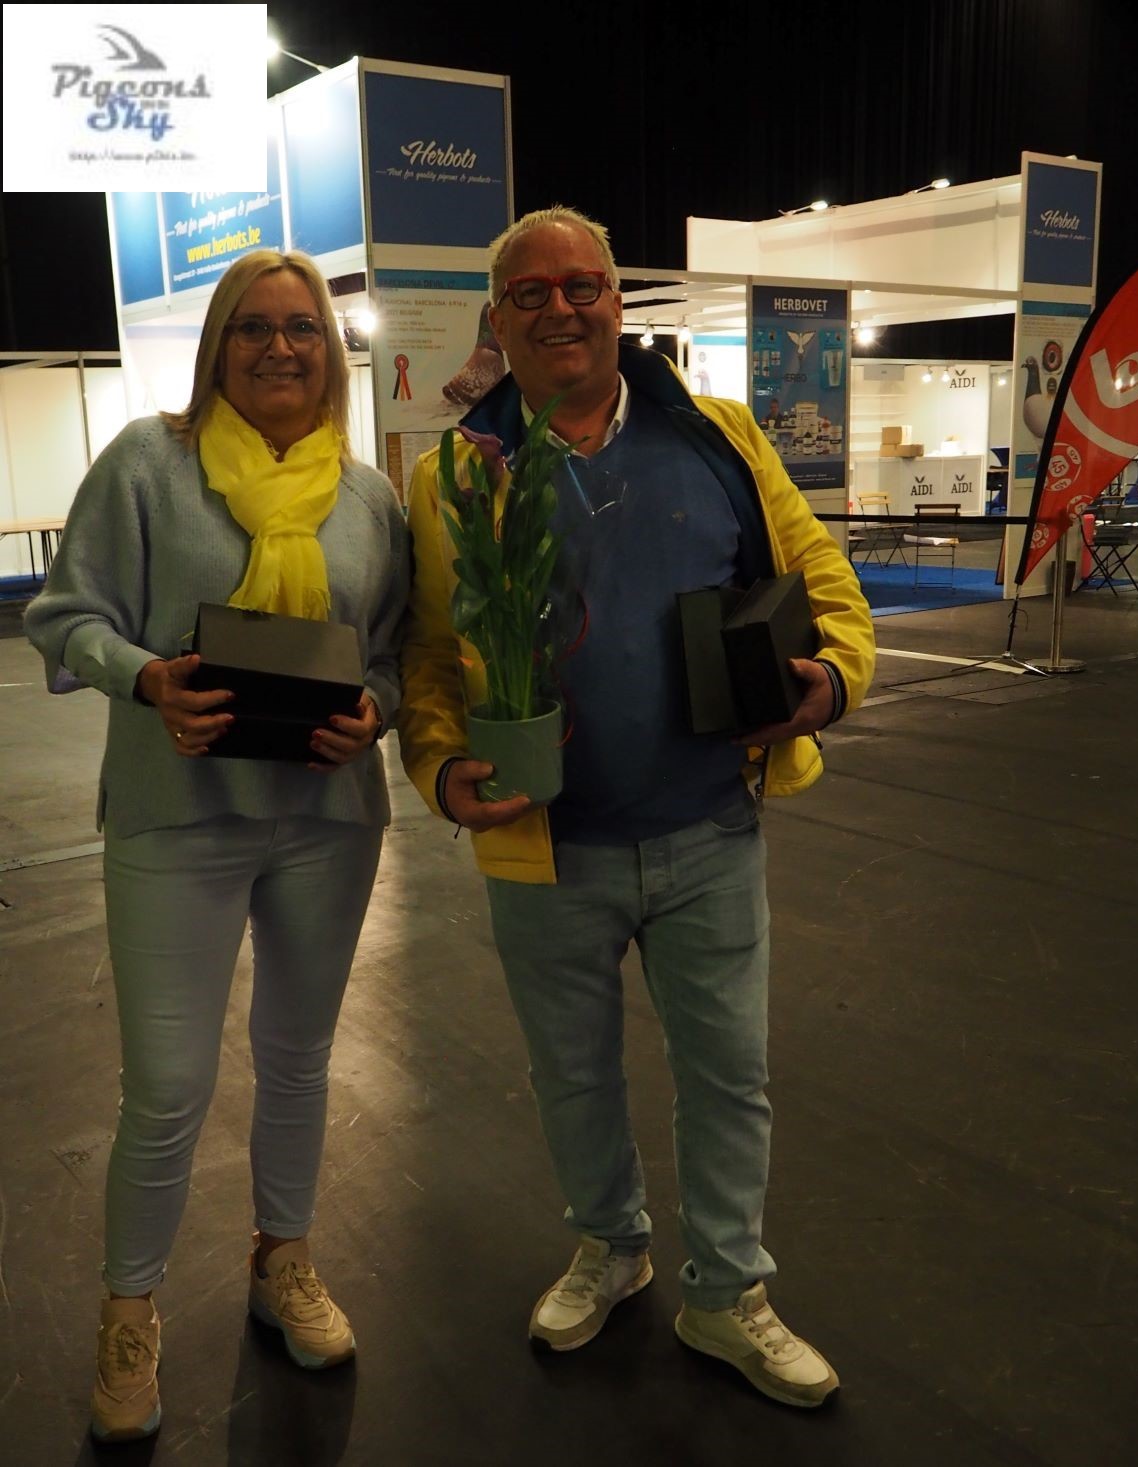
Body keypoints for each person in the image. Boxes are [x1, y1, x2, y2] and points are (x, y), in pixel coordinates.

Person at [398, 206, 875, 1408]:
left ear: (619, 303)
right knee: (573, 1077)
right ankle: (611, 1247)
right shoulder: (457, 475)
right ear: (498, 321)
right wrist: (443, 772)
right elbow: (434, 657)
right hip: (545, 846)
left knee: (729, 1076)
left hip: (711, 826)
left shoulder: (717, 436)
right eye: (532, 293)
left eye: (585, 286)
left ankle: (727, 1292)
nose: (562, 308)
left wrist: (830, 679)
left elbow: (819, 572)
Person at [25, 249, 410, 1443]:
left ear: (328, 350)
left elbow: (393, 658)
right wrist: (149, 680)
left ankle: (281, 1259)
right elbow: (64, 614)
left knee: (298, 1061)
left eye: (301, 328)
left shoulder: (368, 500)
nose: (280, 347)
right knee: (168, 1088)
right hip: (176, 817)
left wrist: (375, 713)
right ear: (217, 348)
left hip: (326, 823)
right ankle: (129, 1310)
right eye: (254, 328)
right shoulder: (150, 465)